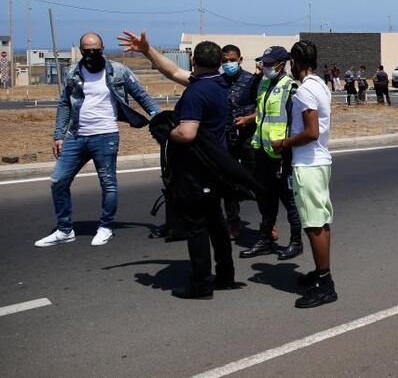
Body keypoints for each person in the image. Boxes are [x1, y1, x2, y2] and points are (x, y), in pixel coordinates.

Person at [117, 31, 246, 299]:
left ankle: (201, 285)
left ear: (194, 61)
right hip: (216, 168)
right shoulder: (219, 82)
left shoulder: (195, 93)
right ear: (219, 63)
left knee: (197, 227)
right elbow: (173, 71)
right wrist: (147, 50)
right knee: (217, 223)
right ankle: (225, 275)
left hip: (197, 171)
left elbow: (187, 133)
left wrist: (166, 131)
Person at [35, 32, 162, 248]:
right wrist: (58, 135)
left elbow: (141, 95)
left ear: (102, 49)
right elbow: (64, 103)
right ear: (81, 50)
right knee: (58, 180)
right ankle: (64, 230)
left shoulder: (118, 71)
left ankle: (105, 227)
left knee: (108, 183)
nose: (91, 53)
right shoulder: (73, 72)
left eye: (95, 50)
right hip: (76, 135)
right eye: (87, 50)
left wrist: (159, 118)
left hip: (106, 135)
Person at [273, 41, 338, 308]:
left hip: (308, 164)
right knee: (320, 221)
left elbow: (311, 132)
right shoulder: (320, 84)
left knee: (313, 225)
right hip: (319, 161)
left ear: (296, 61)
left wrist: (283, 143)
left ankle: (325, 284)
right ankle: (321, 273)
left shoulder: (305, 90)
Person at [239, 46, 304, 261]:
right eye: (263, 63)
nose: (265, 66)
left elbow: (295, 122)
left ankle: (296, 241)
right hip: (262, 151)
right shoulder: (264, 83)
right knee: (265, 198)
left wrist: (287, 147)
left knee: (288, 199)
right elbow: (252, 105)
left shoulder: (290, 87)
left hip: (281, 154)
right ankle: (265, 239)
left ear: (281, 64)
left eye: (269, 64)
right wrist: (257, 76)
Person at [220, 44, 257, 240]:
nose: (229, 64)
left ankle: (268, 223)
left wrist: (248, 119)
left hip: (248, 137)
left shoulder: (252, 81)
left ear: (240, 60)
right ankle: (233, 222)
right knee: (228, 183)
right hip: (226, 140)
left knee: (256, 181)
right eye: (225, 61)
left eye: (232, 60)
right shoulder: (218, 82)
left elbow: (263, 108)